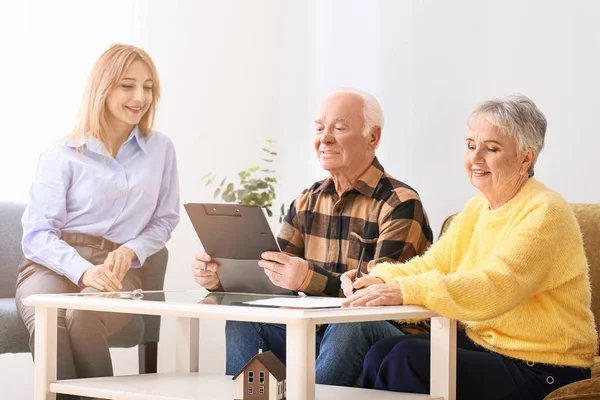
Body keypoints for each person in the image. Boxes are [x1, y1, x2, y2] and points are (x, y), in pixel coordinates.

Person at [342, 94, 596, 399]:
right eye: (471, 145)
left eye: (492, 149)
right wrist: (380, 280)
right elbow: (431, 264)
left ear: (525, 158)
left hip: (545, 365)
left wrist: (407, 291)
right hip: (489, 348)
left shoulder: (545, 211)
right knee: (381, 352)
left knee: (405, 359)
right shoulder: (477, 209)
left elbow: (497, 285)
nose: (475, 159)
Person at [192, 88, 434, 386]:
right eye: (320, 128)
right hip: (318, 334)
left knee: (348, 327)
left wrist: (308, 279)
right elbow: (276, 279)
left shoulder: (400, 203)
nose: (326, 137)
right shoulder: (306, 201)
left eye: (340, 128)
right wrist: (221, 276)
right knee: (245, 318)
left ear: (373, 137)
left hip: (383, 333)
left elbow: (377, 297)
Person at [15, 44, 180, 400]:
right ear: (102, 88)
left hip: (120, 268)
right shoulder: (62, 153)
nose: (140, 97)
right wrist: (82, 271)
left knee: (83, 314)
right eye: (127, 85)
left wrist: (131, 249)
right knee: (50, 322)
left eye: (148, 87)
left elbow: (165, 220)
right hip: (49, 266)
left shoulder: (161, 149)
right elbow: (38, 234)